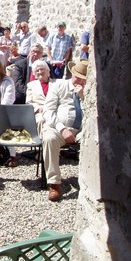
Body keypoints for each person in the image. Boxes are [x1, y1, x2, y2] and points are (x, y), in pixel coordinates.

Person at [42, 60, 88, 201]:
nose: (79, 81)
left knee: (93, 142)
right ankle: (54, 183)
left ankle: (89, 180)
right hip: (59, 127)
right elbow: (48, 112)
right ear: (72, 74)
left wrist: (82, 97)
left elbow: (92, 114)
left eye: (83, 78)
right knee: (49, 139)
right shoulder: (58, 86)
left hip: (81, 129)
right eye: (77, 77)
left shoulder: (89, 90)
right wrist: (62, 129)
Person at [26, 60, 55, 135]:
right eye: (37, 70)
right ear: (34, 74)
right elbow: (29, 103)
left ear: (48, 71)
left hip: (54, 110)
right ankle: (41, 142)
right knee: (41, 120)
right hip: (40, 113)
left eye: (42, 69)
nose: (40, 72)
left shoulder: (56, 84)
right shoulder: (31, 85)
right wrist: (39, 108)